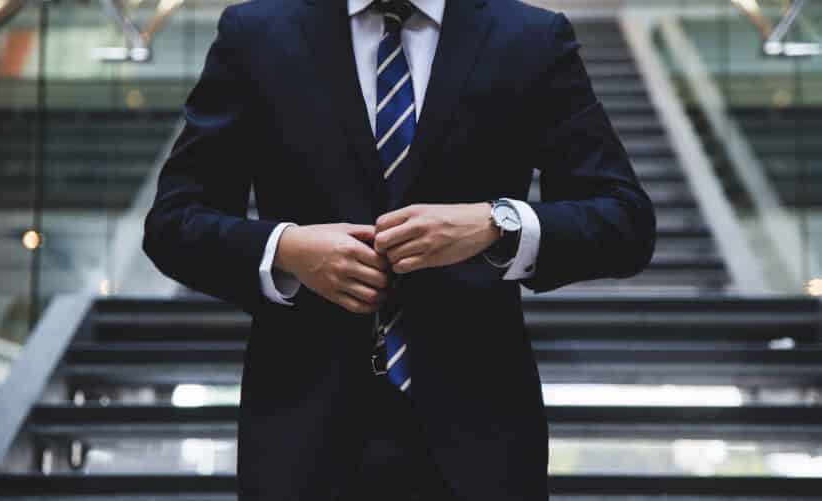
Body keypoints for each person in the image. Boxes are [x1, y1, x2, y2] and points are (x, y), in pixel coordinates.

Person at [142, 0, 656, 499]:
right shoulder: (256, 32)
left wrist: (496, 223)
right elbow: (173, 222)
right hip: (301, 436)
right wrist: (286, 248)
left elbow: (624, 220)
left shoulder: (530, 37)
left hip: (482, 439)